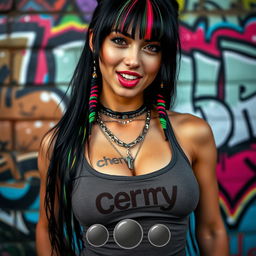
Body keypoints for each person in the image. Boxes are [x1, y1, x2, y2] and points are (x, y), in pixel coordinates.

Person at [35, 0, 230, 255]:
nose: (133, 60)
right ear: (95, 42)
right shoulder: (61, 143)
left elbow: (212, 230)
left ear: (162, 57)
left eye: (151, 47)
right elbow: (48, 230)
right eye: (120, 41)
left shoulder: (193, 133)